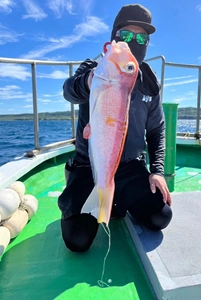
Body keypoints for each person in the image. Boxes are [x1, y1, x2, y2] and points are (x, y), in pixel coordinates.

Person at [58, 4, 172, 252]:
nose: (133, 41)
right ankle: (85, 194)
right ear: (114, 37)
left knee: (160, 216)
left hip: (131, 166)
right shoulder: (94, 70)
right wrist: (88, 82)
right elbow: (69, 91)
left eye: (142, 37)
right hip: (89, 165)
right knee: (77, 239)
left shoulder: (150, 82)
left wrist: (158, 171)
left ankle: (116, 200)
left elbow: (156, 130)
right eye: (126, 35)